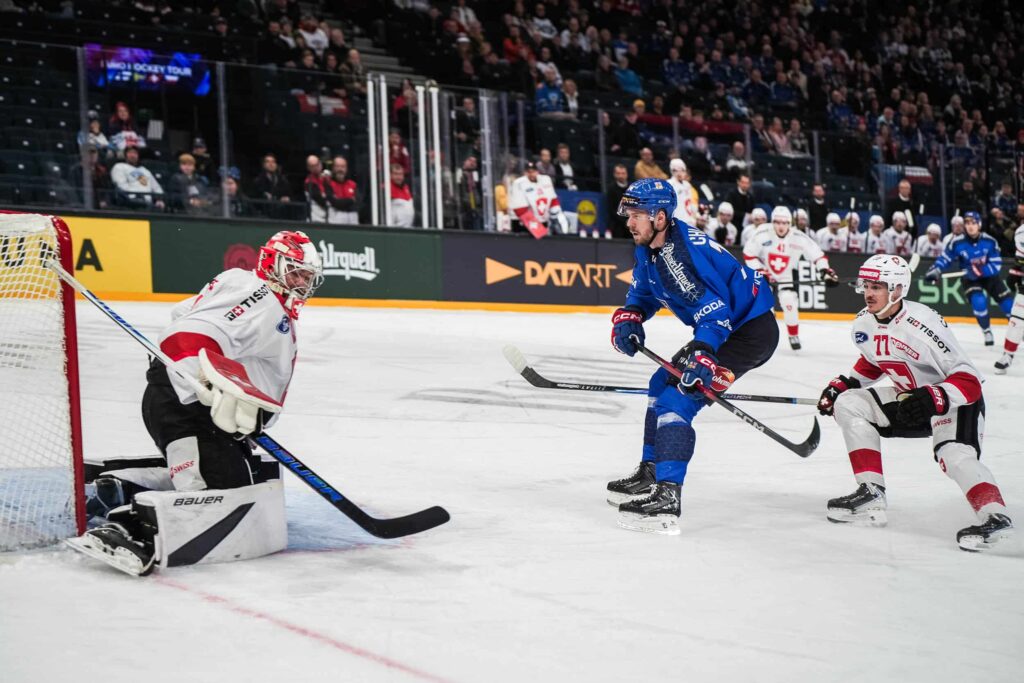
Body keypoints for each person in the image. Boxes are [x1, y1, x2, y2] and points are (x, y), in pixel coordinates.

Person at [66, 231, 325, 575]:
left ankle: (114, 487)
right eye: (295, 273)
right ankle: (127, 528)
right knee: (224, 497)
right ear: (271, 264)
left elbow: (184, 312)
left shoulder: (245, 286)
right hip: (188, 406)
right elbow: (183, 336)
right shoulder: (262, 298)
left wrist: (227, 392)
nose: (302, 283)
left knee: (242, 484)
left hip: (202, 409)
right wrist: (204, 386)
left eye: (306, 276)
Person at [606, 178, 778, 535]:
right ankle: (652, 471)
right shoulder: (651, 246)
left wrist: (704, 356)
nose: (629, 222)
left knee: (677, 401)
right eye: (628, 214)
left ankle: (668, 497)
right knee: (661, 382)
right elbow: (644, 291)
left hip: (750, 333)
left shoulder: (681, 257)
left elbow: (715, 314)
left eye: (636, 215)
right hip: (725, 327)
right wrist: (631, 315)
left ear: (659, 216)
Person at [816, 254, 1012, 552]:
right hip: (911, 401)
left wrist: (935, 397)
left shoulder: (923, 326)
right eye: (866, 285)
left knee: (954, 456)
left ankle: (996, 518)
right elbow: (875, 361)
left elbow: (970, 379)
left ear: (897, 289)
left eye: (877, 287)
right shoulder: (863, 323)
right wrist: (842, 385)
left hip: (954, 403)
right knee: (849, 403)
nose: (868, 293)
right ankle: (871, 492)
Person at [743, 206, 840, 350]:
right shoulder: (762, 232)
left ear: (790, 223)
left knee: (789, 302)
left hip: (786, 276)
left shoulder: (799, 237)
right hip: (765, 274)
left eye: (785, 223)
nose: (781, 226)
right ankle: (764, 336)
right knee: (765, 307)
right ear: (772, 222)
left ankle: (793, 335)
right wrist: (760, 270)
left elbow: (817, 255)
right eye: (777, 222)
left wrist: (825, 270)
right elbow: (749, 253)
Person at [924, 212, 1013, 346]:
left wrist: (980, 271)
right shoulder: (957, 242)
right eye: (967, 223)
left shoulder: (990, 241)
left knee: (1008, 305)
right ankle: (986, 330)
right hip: (970, 278)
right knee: (979, 301)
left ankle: (1019, 331)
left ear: (979, 224)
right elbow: (945, 258)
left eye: (973, 223)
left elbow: (996, 264)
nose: (970, 226)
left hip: (990, 276)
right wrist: (936, 270)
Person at [509, 160, 566, 239]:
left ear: (537, 172)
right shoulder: (519, 183)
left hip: (542, 222)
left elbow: (553, 201)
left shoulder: (546, 180)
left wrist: (556, 219)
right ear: (525, 173)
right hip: (524, 225)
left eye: (533, 171)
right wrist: (538, 229)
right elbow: (520, 210)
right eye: (528, 172)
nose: (531, 174)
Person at [995, 224, 1024, 374]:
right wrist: (1015, 273)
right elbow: (1021, 261)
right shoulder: (1021, 232)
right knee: (1016, 319)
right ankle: (1007, 355)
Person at [110, 146, 165, 210]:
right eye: (130, 153)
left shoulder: (145, 170)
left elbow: (156, 187)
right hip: (130, 202)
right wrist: (135, 196)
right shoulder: (120, 166)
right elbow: (120, 186)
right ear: (125, 155)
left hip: (147, 203)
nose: (133, 155)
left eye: (135, 153)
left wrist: (159, 199)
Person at [324, 156, 358, 225]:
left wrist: (340, 201)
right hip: (335, 217)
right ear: (333, 168)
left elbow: (358, 202)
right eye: (337, 166)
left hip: (352, 216)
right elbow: (334, 202)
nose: (340, 169)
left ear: (346, 168)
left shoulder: (352, 184)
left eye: (343, 166)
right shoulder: (328, 184)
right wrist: (351, 200)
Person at [667, 158, 698, 225]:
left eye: (682, 170)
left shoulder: (687, 185)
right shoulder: (669, 184)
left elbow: (691, 203)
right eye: (676, 170)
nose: (680, 173)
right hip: (676, 220)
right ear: (672, 171)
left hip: (689, 220)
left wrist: (694, 217)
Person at [605, 164, 630, 239]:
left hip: (630, 222)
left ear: (627, 174)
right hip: (617, 224)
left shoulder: (632, 188)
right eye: (618, 173)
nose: (621, 176)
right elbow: (611, 209)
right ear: (614, 175)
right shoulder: (611, 189)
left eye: (623, 173)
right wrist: (624, 221)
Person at [303, 154, 329, 223]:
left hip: (330, 218)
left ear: (320, 164)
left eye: (317, 164)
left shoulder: (327, 178)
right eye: (312, 166)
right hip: (316, 219)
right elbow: (321, 200)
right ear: (308, 168)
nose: (315, 168)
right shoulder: (309, 182)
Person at [389, 163, 415, 227]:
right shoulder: (387, 187)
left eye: (401, 174)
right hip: (395, 228)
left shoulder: (406, 187)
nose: (399, 177)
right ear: (390, 175)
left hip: (408, 227)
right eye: (396, 174)